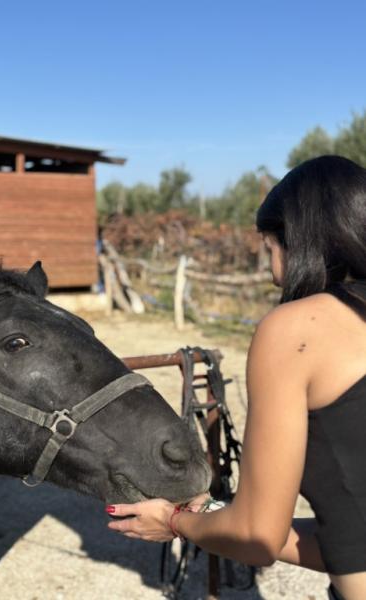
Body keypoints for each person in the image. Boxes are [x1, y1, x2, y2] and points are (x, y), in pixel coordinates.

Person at [106, 155, 366, 600]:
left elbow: (256, 535)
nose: (271, 270)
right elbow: (350, 542)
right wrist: (212, 516)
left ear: (299, 240)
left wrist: (173, 521)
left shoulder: (296, 329)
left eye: (269, 247)